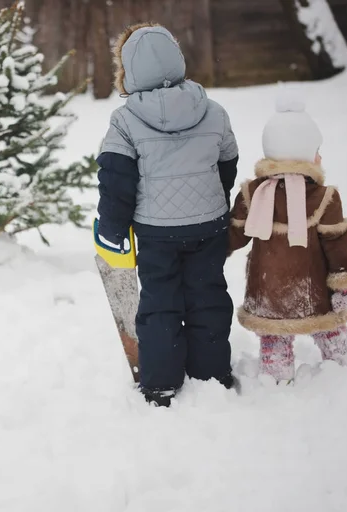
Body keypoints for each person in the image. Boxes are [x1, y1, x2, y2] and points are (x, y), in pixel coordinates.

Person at [96, 24, 240, 406]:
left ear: (127, 73)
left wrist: (112, 228)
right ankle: (212, 372)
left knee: (160, 302)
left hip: (156, 232)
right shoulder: (213, 110)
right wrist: (215, 200)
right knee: (207, 295)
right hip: (208, 224)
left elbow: (117, 181)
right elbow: (227, 163)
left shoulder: (125, 121)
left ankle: (160, 383)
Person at [229, 95, 347, 383]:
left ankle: (276, 378)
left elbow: (233, 234)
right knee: (329, 328)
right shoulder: (323, 196)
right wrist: (345, 280)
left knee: (274, 338)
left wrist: (204, 254)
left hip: (267, 289)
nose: (320, 158)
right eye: (317, 151)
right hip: (312, 288)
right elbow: (338, 242)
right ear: (305, 154)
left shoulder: (252, 193)